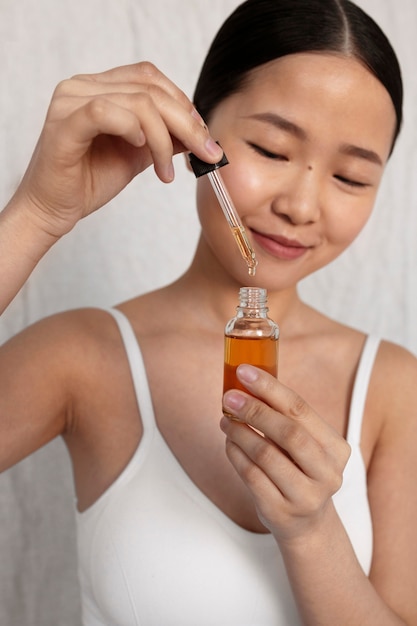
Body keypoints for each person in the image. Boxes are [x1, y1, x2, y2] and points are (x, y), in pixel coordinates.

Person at [0, 0, 416, 623]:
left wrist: (311, 531)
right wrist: (34, 215)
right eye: (273, 149)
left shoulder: (393, 387)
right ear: (198, 134)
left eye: (351, 178)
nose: (302, 206)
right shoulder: (82, 355)